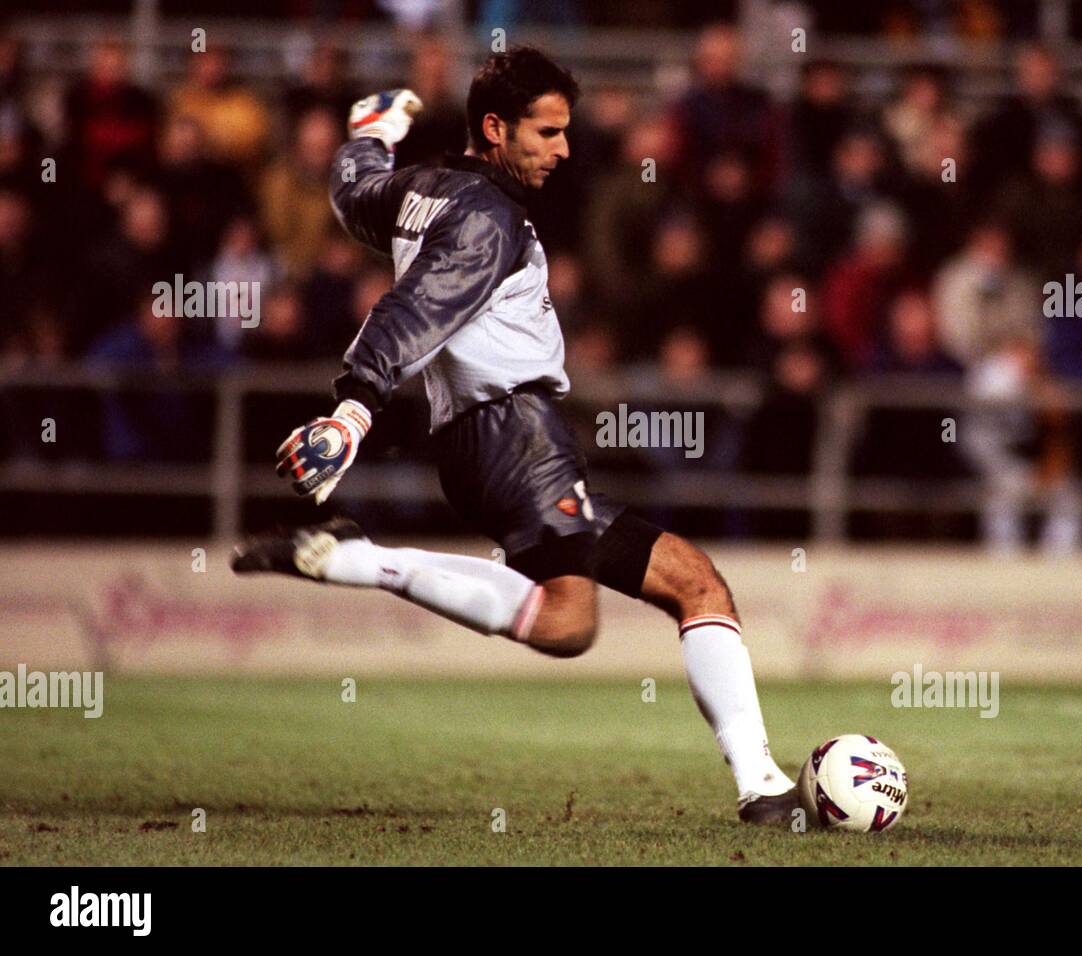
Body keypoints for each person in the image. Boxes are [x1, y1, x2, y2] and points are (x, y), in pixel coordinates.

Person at [230, 48, 798, 825]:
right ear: (495, 129)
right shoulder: (486, 216)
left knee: (631, 602)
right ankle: (764, 788)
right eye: (547, 132)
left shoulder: (417, 189)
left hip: (476, 442)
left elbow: (353, 196)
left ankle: (764, 788)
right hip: (516, 436)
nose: (562, 149)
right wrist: (353, 411)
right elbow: (410, 312)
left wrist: (368, 138)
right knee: (632, 604)